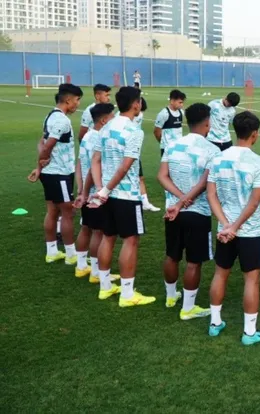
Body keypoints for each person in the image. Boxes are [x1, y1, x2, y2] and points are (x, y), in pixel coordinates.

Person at [206, 111, 260, 345]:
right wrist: (234, 225)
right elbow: (254, 202)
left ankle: (215, 323)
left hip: (225, 230)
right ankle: (249, 333)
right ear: (255, 134)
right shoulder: (258, 163)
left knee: (220, 274)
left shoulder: (218, 159)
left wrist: (225, 224)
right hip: (249, 231)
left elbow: (211, 195)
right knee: (251, 280)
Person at [90, 86, 155, 306]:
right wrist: (106, 189)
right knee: (131, 240)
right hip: (125, 195)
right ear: (135, 104)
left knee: (108, 237)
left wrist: (100, 189)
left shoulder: (106, 127)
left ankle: (105, 287)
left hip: (107, 195)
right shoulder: (134, 131)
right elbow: (126, 166)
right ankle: (127, 294)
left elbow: (96, 160)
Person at [157, 103, 221, 320]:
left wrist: (178, 199)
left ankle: (170, 296)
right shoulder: (212, 150)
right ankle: (188, 307)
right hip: (198, 212)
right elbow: (205, 183)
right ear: (207, 123)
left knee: (172, 255)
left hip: (172, 211)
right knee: (194, 261)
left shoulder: (173, 145)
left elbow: (162, 176)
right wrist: (186, 199)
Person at [30, 83, 84, 265]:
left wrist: (40, 166)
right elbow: (47, 145)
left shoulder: (50, 115)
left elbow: (41, 142)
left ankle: (52, 251)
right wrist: (42, 160)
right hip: (60, 173)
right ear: (68, 100)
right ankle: (71, 254)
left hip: (50, 173)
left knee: (52, 212)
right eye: (77, 100)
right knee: (67, 213)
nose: (77, 104)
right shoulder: (62, 120)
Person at [73, 103, 121, 285]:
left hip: (86, 191)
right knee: (99, 233)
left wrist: (79, 190)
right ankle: (95, 272)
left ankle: (80, 266)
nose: (114, 119)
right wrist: (91, 191)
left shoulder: (86, 137)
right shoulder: (99, 138)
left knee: (86, 228)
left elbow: (79, 164)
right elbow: (93, 170)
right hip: (94, 194)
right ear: (104, 120)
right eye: (112, 116)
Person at [131, 97, 161, 212]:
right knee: (138, 178)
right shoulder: (138, 116)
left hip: (135, 152)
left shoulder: (136, 116)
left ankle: (145, 202)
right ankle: (143, 202)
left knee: (140, 178)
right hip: (132, 152)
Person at [154, 89, 186, 156]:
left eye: (182, 102)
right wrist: (163, 142)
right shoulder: (164, 114)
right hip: (167, 149)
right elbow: (156, 131)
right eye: (180, 102)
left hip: (178, 148)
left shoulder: (181, 112)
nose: (182, 105)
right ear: (172, 101)